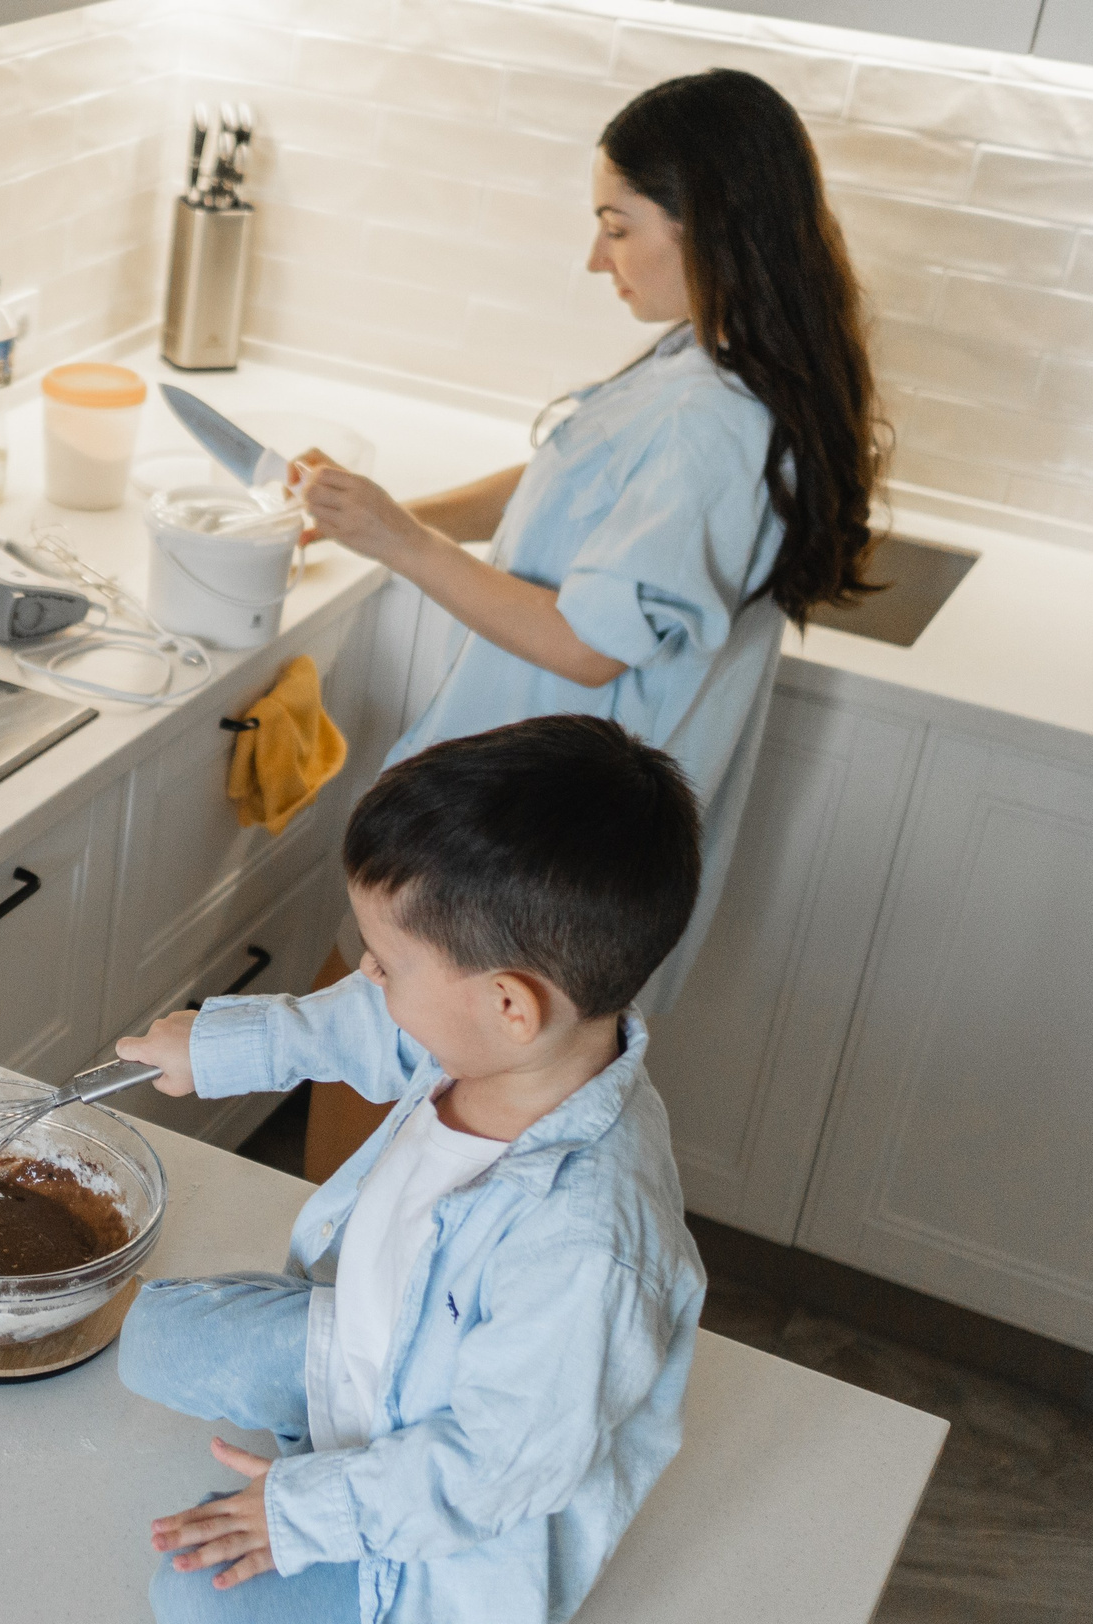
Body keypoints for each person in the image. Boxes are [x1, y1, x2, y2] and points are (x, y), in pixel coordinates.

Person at [112, 715, 709, 1624]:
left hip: (456, 1508)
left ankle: (326, 1481)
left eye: (385, 964)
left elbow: (495, 1469)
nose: (366, 978)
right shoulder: (497, 1034)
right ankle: (321, 1444)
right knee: (153, 1337)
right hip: (373, 1349)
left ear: (508, 1004)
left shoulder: (589, 1246)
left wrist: (300, 1512)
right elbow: (367, 1029)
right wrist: (214, 1049)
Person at [297, 68, 883, 1019]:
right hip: (522, 819)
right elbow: (572, 481)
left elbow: (585, 643)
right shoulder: (710, 349)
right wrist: (385, 511)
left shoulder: (718, 420)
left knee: (380, 1058)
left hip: (536, 846)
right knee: (363, 1036)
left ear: (714, 227)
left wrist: (398, 539)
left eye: (617, 226)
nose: (594, 256)